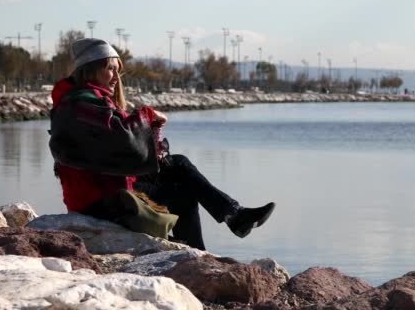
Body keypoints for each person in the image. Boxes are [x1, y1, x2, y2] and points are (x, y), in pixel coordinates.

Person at [48, 38, 275, 250]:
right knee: (182, 193)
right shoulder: (80, 103)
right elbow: (120, 137)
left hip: (103, 184)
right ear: (92, 69)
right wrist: (148, 115)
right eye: (110, 69)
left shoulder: (79, 100)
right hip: (97, 198)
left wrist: (151, 141)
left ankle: (233, 217)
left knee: (178, 165)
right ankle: (202, 249)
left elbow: (111, 146)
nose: (116, 77)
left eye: (118, 71)